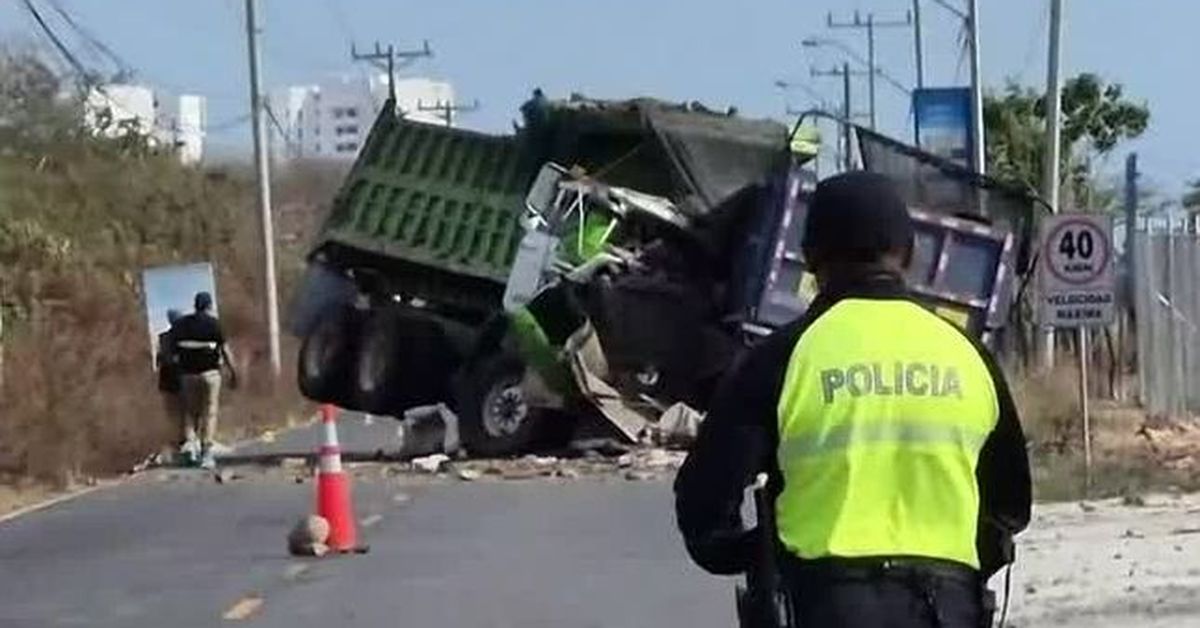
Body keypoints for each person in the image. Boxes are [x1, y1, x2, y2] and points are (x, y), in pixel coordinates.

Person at [674, 171, 1031, 627]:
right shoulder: (969, 356)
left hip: (824, 604)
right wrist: (954, 571)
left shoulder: (780, 358)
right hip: (944, 608)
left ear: (808, 258)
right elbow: (1009, 506)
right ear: (909, 253)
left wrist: (760, 551)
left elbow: (705, 503)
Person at [173, 291, 238, 469]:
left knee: (189, 412)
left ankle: (190, 448)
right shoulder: (214, 325)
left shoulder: (181, 325)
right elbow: (225, 351)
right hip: (209, 375)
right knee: (209, 411)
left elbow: (171, 351)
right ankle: (206, 452)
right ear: (209, 306)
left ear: (195, 305)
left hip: (187, 375)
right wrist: (234, 373)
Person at [156, 309, 184, 449]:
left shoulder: (163, 338)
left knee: (173, 414)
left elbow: (159, 359)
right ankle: (187, 442)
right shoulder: (184, 337)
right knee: (187, 411)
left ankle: (178, 442)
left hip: (166, 378)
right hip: (180, 376)